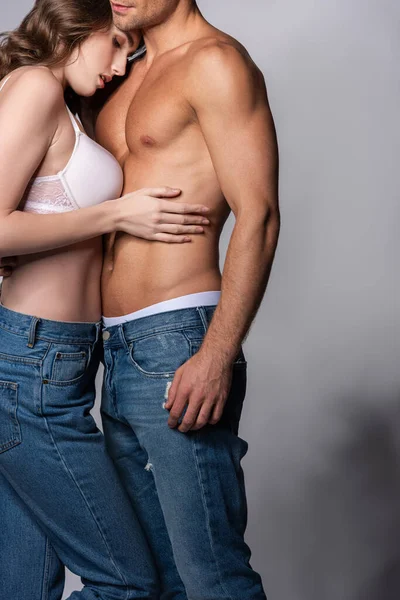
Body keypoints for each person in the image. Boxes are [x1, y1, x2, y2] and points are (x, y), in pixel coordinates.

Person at [0, 0, 211, 598]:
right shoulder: (37, 84)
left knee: (23, 585)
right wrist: (117, 213)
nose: (121, 65)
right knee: (127, 585)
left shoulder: (59, 101)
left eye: (132, 50)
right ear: (77, 22)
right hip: (29, 366)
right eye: (116, 42)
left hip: (51, 364)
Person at [92, 1, 279, 598]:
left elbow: (260, 215)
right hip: (113, 347)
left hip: (178, 337)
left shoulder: (217, 63)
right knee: (155, 573)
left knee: (211, 575)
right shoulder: (124, 65)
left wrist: (217, 353)